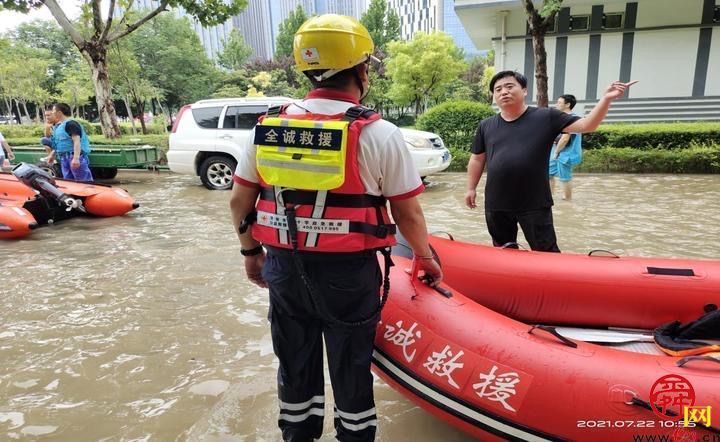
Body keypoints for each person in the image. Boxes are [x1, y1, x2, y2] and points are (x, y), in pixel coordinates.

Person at [229, 14, 442, 442]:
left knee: (294, 360)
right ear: (361, 70)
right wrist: (426, 257)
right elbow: (409, 214)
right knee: (349, 362)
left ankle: (298, 434)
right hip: (350, 272)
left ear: (306, 68)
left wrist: (251, 254)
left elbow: (240, 200)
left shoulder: (269, 127)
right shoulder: (380, 133)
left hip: (285, 266)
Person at [465, 70, 637, 252]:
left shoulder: (546, 117)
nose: (503, 92)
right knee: (503, 250)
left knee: (546, 250)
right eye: (498, 89)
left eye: (509, 86)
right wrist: (470, 188)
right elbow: (477, 158)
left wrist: (606, 99)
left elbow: (587, 125)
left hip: (534, 202)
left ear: (524, 91)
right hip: (497, 201)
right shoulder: (486, 125)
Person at [548, 94, 582, 201]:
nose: (556, 105)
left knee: (565, 178)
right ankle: (550, 197)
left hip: (566, 153)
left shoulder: (571, 119)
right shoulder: (563, 118)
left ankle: (568, 200)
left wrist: (556, 152)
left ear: (567, 104)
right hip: (558, 151)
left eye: (559, 103)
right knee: (548, 173)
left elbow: (565, 138)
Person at [50, 103, 93, 181]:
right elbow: (58, 143)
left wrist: (76, 158)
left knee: (84, 182)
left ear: (59, 112)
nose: (52, 113)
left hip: (73, 157)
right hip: (64, 158)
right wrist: (52, 155)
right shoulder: (59, 126)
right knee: (69, 183)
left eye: (53, 111)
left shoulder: (71, 124)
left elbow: (77, 141)